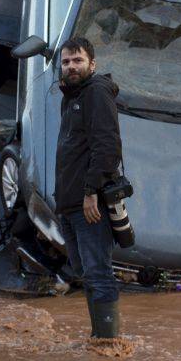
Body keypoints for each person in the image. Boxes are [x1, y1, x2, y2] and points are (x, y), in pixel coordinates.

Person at [55, 37, 122, 338]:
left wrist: (91, 191)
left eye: (77, 60)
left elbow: (107, 147)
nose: (71, 66)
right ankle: (98, 338)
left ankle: (109, 344)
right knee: (86, 273)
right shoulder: (71, 96)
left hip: (88, 204)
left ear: (92, 64)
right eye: (66, 61)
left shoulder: (96, 92)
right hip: (69, 204)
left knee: (98, 272)